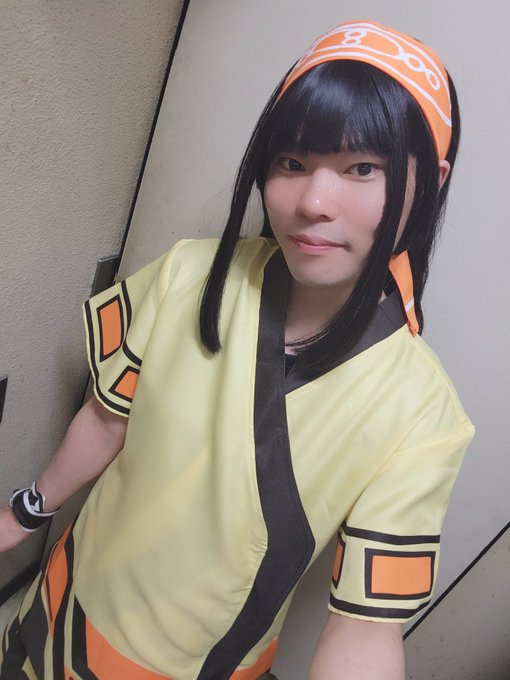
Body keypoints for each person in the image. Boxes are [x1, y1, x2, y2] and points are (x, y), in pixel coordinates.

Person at [0, 19, 474, 680]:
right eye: (292, 163)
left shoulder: (423, 413)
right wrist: (25, 512)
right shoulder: (186, 274)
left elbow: (366, 630)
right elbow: (108, 420)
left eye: (362, 168)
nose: (313, 200)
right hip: (62, 606)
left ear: (432, 180)